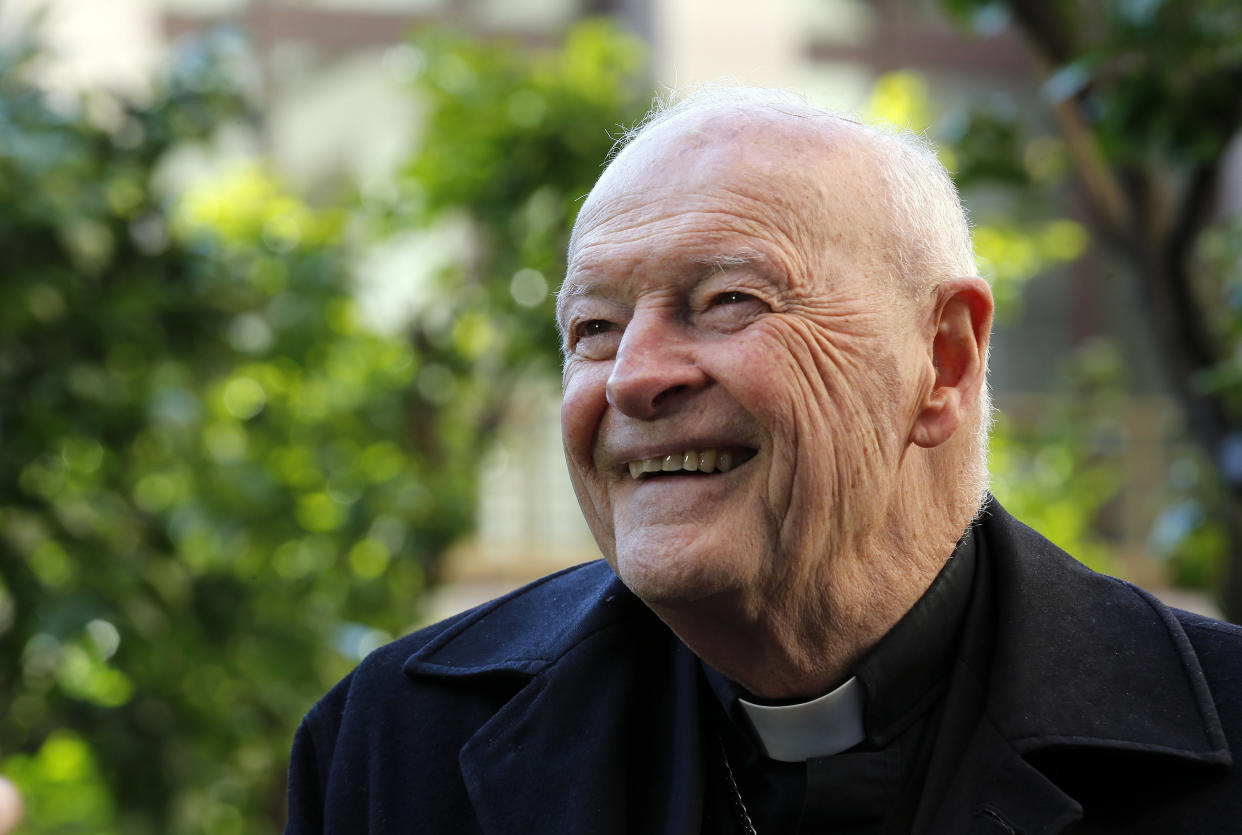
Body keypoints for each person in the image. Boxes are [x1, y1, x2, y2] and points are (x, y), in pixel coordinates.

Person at [285, 87, 1242, 833]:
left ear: (943, 360)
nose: (633, 380)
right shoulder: (397, 743)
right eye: (594, 327)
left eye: (729, 300)